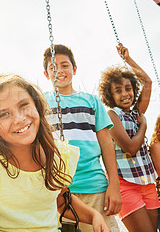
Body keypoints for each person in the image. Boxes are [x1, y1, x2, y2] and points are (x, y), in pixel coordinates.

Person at [0, 73, 110, 232]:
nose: (19, 118)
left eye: (23, 105)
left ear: (36, 105)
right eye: (4, 114)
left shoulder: (56, 154)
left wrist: (93, 215)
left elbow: (60, 201)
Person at [43, 44, 122, 231]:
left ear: (74, 69)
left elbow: (106, 143)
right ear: (46, 74)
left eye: (64, 65)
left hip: (94, 186)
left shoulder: (91, 101)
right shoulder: (41, 101)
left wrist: (114, 185)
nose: (59, 71)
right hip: (56, 191)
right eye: (53, 68)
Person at [98, 44, 159, 232]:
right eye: (118, 90)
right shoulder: (111, 115)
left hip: (147, 182)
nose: (125, 94)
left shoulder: (135, 113)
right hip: (126, 183)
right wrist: (144, 125)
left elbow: (147, 82)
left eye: (128, 88)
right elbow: (130, 148)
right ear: (110, 95)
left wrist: (128, 59)